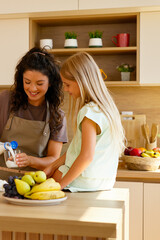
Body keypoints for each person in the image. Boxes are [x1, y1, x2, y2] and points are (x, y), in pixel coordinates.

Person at [0, 47, 68, 180]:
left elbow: (53, 160)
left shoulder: (57, 115)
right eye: (27, 82)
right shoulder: (6, 100)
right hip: (0, 182)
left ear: (50, 83)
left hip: (34, 184)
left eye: (39, 83)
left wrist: (30, 161)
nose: (32, 88)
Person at [44, 52, 125, 192]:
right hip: (104, 183)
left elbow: (86, 156)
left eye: (67, 84)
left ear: (81, 81)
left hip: (81, 180)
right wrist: (52, 166)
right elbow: (76, 150)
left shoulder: (88, 112)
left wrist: (60, 186)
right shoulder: (106, 109)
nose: (65, 89)